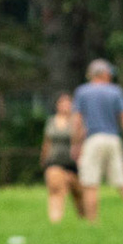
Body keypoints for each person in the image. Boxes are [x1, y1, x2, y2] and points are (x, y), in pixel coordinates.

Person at [73, 59, 123, 224]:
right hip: (113, 139)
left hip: (93, 139)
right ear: (103, 74)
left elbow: (77, 121)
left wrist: (76, 144)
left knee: (90, 184)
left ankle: (92, 222)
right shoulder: (116, 92)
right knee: (122, 181)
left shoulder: (82, 92)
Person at [41, 92, 84, 223]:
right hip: (55, 162)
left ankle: (86, 222)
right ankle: (55, 221)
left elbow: (83, 140)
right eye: (62, 103)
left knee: (79, 194)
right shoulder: (51, 121)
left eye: (68, 103)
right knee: (56, 191)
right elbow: (47, 142)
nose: (65, 106)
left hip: (75, 163)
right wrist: (43, 158)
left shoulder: (78, 121)